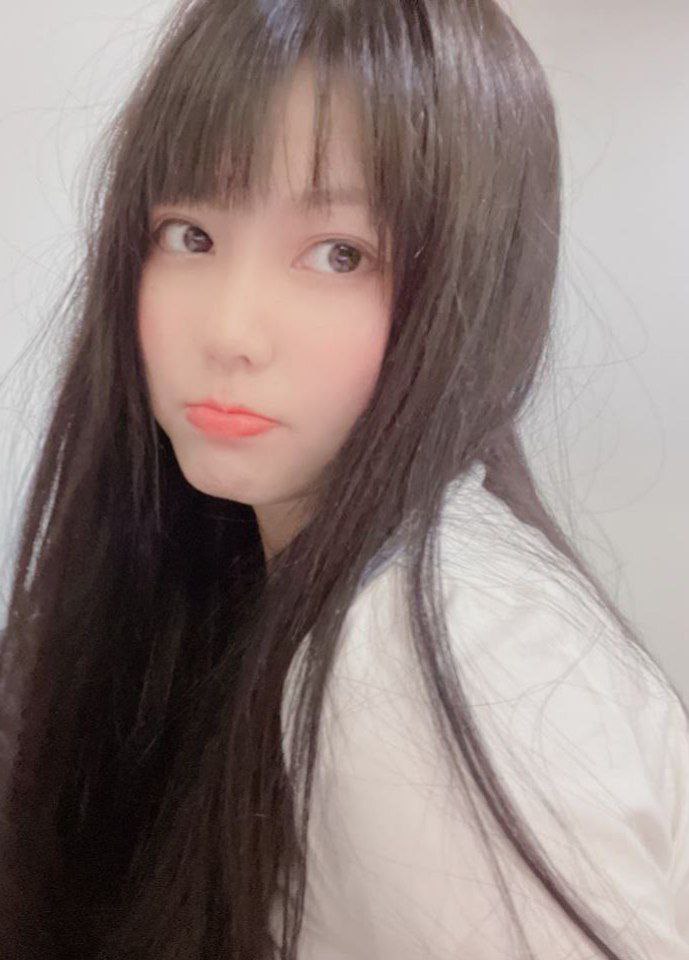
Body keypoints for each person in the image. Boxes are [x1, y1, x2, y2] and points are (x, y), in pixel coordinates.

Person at [0, 1, 686, 958]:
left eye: (339, 255)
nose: (230, 332)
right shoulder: (245, 576)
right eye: (190, 235)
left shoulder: (426, 651)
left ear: (471, 290)